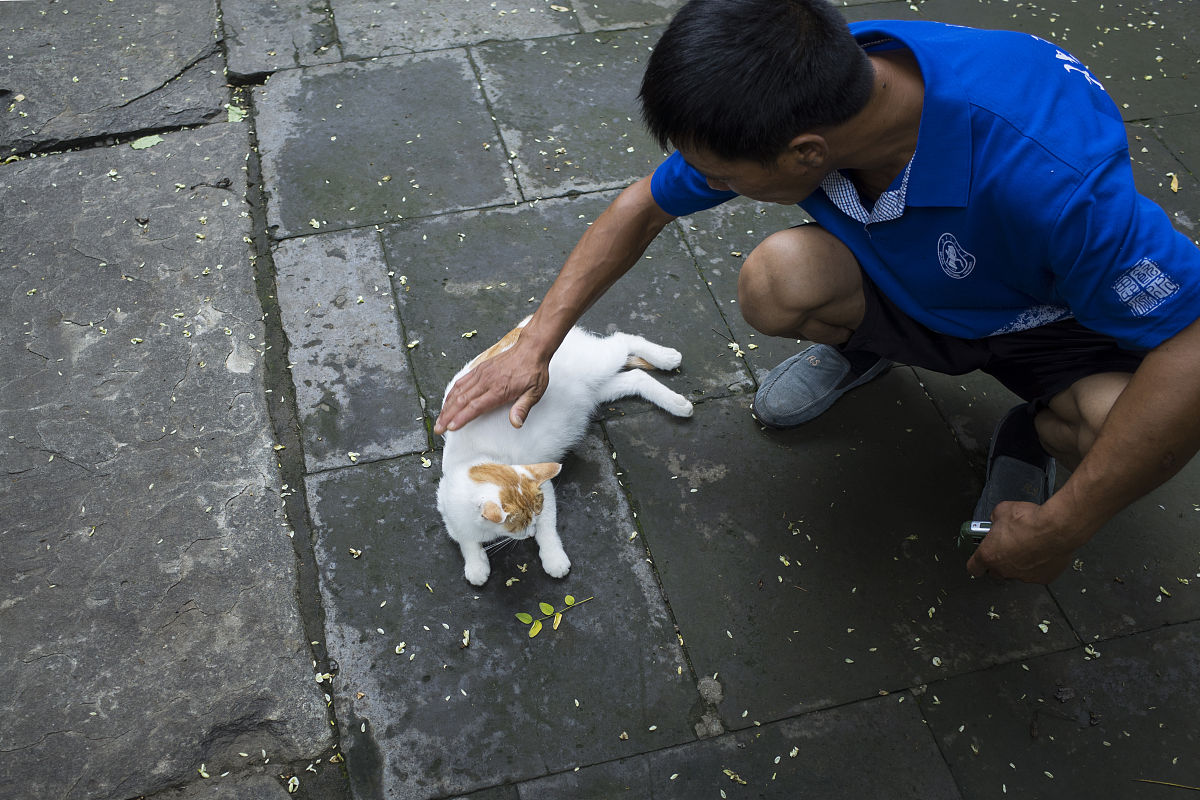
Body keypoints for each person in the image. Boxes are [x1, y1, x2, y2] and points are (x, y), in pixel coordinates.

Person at [435, 0, 1200, 584]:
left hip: (1046, 320)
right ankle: (867, 349)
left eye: (730, 177)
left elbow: (1191, 346)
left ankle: (1035, 426)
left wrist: (1064, 527)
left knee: (1115, 435)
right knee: (776, 282)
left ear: (807, 152)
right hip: (913, 283)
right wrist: (537, 342)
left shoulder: (1053, 179)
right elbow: (645, 205)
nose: (717, 187)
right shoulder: (814, 82)